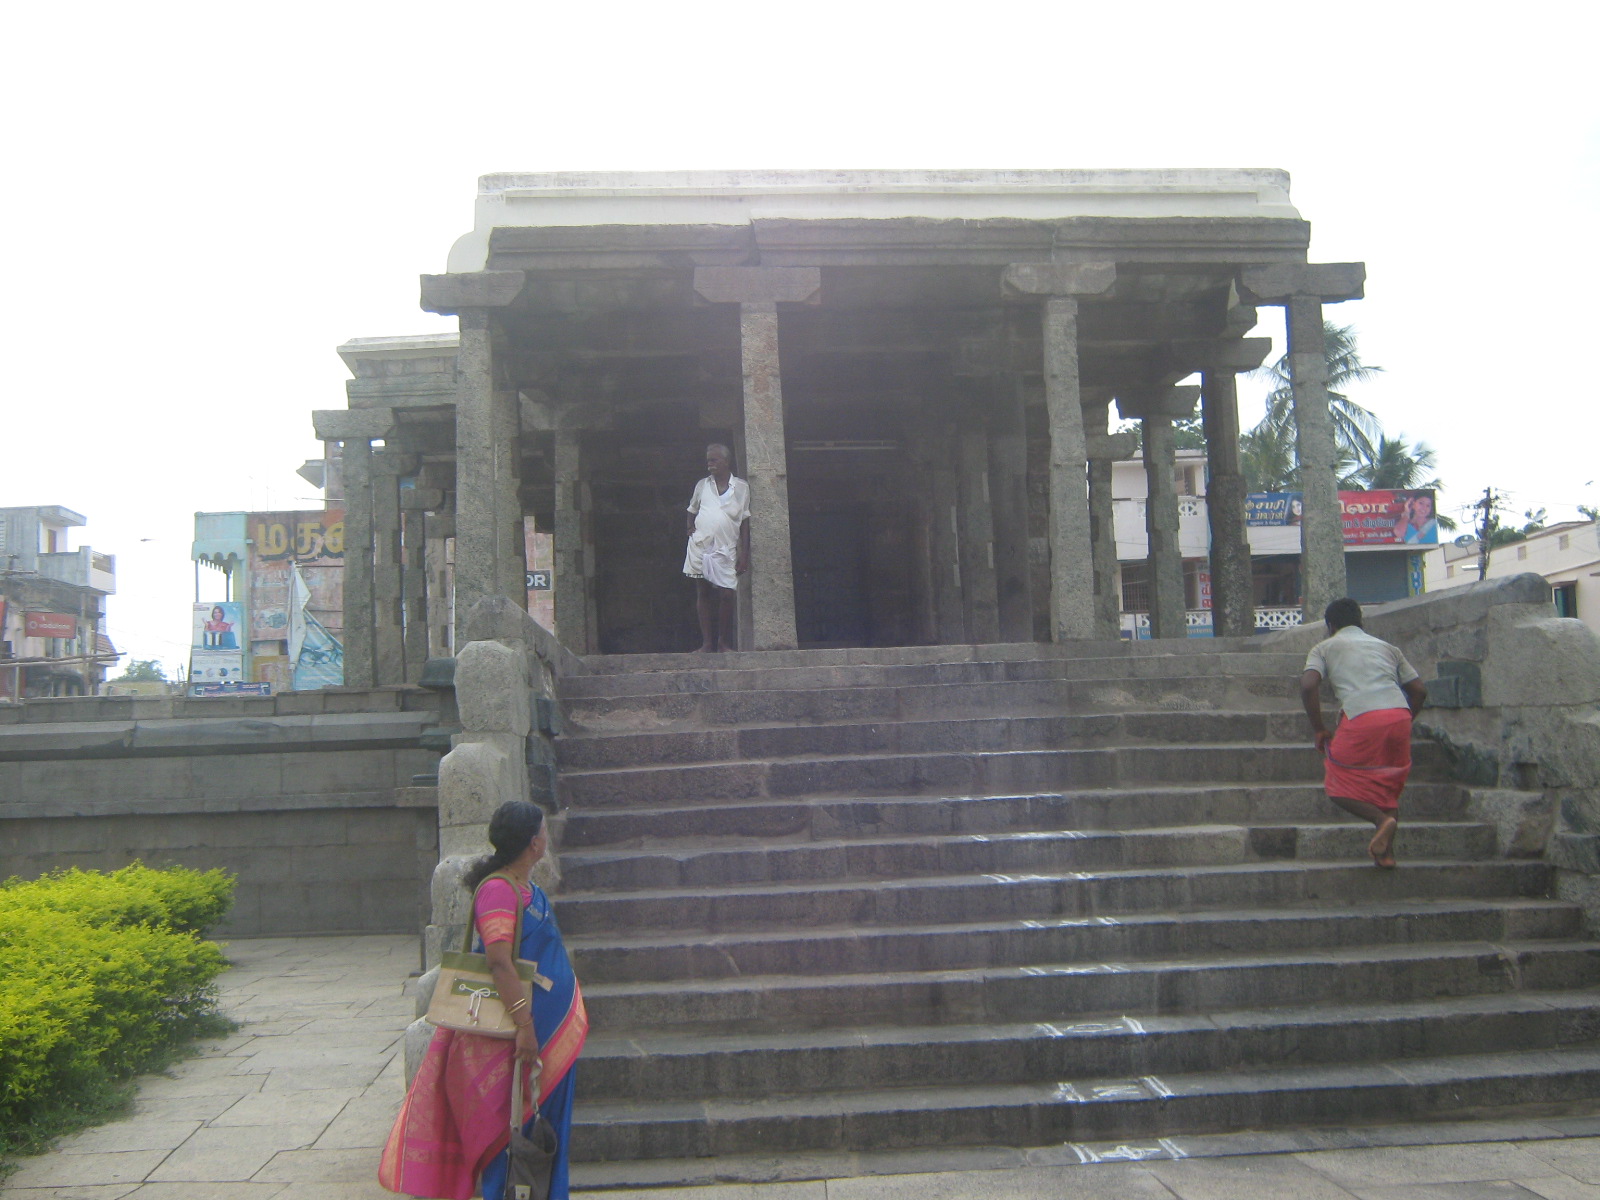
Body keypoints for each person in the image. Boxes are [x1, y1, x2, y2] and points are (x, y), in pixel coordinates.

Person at [380, 801, 587, 1200]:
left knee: (549, 1129)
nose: (546, 836)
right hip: (517, 1034)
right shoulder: (498, 889)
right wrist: (525, 1027)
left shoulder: (530, 889)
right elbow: (498, 960)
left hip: (551, 1032)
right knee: (510, 1129)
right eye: (543, 830)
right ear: (533, 843)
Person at [1300, 598, 1428, 868]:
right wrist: (1403, 719)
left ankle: (1382, 821)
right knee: (1388, 785)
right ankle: (1386, 854)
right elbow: (1419, 690)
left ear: (1330, 625)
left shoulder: (1324, 647)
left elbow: (1308, 685)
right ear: (1361, 622)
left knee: (1337, 785)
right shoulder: (1388, 648)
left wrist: (1319, 729)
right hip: (1399, 714)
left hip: (1361, 716)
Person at [683, 443, 750, 652]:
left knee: (727, 594)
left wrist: (744, 553)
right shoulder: (702, 485)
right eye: (708, 461)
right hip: (701, 546)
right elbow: (692, 509)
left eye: (714, 460)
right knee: (702, 592)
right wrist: (689, 527)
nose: (709, 464)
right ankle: (707, 643)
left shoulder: (741, 487)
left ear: (726, 462)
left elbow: (745, 520)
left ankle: (723, 642)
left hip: (726, 548)